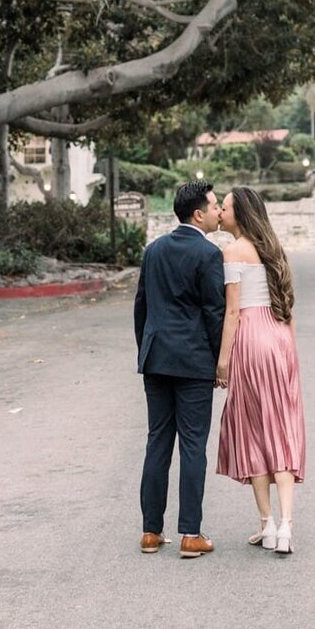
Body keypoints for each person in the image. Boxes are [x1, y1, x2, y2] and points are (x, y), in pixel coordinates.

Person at [134, 180, 225, 558]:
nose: (220, 211)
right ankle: (190, 534)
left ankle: (151, 532)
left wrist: (147, 349)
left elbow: (141, 306)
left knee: (158, 441)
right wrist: (219, 361)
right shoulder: (208, 254)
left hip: (156, 358)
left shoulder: (153, 250)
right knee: (192, 445)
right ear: (198, 214)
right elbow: (214, 313)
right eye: (215, 205)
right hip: (193, 362)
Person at [215, 186, 306, 556]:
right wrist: (291, 354)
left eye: (225, 207)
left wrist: (222, 362)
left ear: (242, 213)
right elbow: (288, 306)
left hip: (251, 339)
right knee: (281, 429)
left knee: (253, 430)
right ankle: (286, 526)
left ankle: (266, 524)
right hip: (280, 338)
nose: (220, 212)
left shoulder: (232, 251)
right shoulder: (274, 252)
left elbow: (233, 312)